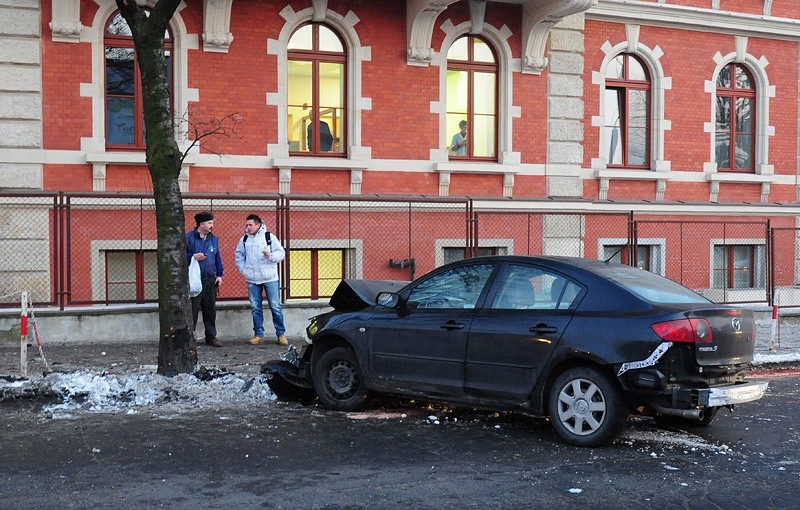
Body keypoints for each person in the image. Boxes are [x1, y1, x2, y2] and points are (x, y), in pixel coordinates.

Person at [234, 214, 288, 346]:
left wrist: (270, 256)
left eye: (250, 225)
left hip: (270, 278)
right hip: (252, 279)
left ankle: (281, 334)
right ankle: (258, 334)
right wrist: (244, 270)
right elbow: (239, 255)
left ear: (258, 225)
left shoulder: (269, 237)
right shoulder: (245, 239)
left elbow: (281, 253)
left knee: (275, 306)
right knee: (255, 307)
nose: (248, 227)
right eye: (247, 225)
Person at [186, 211, 224, 347]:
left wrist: (220, 274)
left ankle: (211, 336)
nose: (212, 225)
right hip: (195, 280)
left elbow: (217, 257)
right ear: (201, 224)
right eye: (209, 223)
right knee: (193, 310)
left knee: (210, 310)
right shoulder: (188, 238)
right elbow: (181, 255)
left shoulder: (214, 239)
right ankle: (190, 337)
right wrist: (193, 256)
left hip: (210, 280)